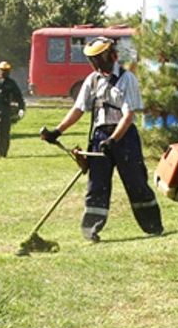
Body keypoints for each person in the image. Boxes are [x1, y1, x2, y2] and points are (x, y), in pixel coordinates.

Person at [41, 37, 163, 242]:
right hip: (100, 137)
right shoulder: (92, 80)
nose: (96, 64)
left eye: (99, 58)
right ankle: (91, 230)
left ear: (111, 55)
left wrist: (114, 140)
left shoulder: (127, 79)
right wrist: (57, 131)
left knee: (136, 182)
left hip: (124, 138)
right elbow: (79, 109)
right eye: (93, 60)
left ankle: (153, 226)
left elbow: (128, 115)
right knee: (97, 185)